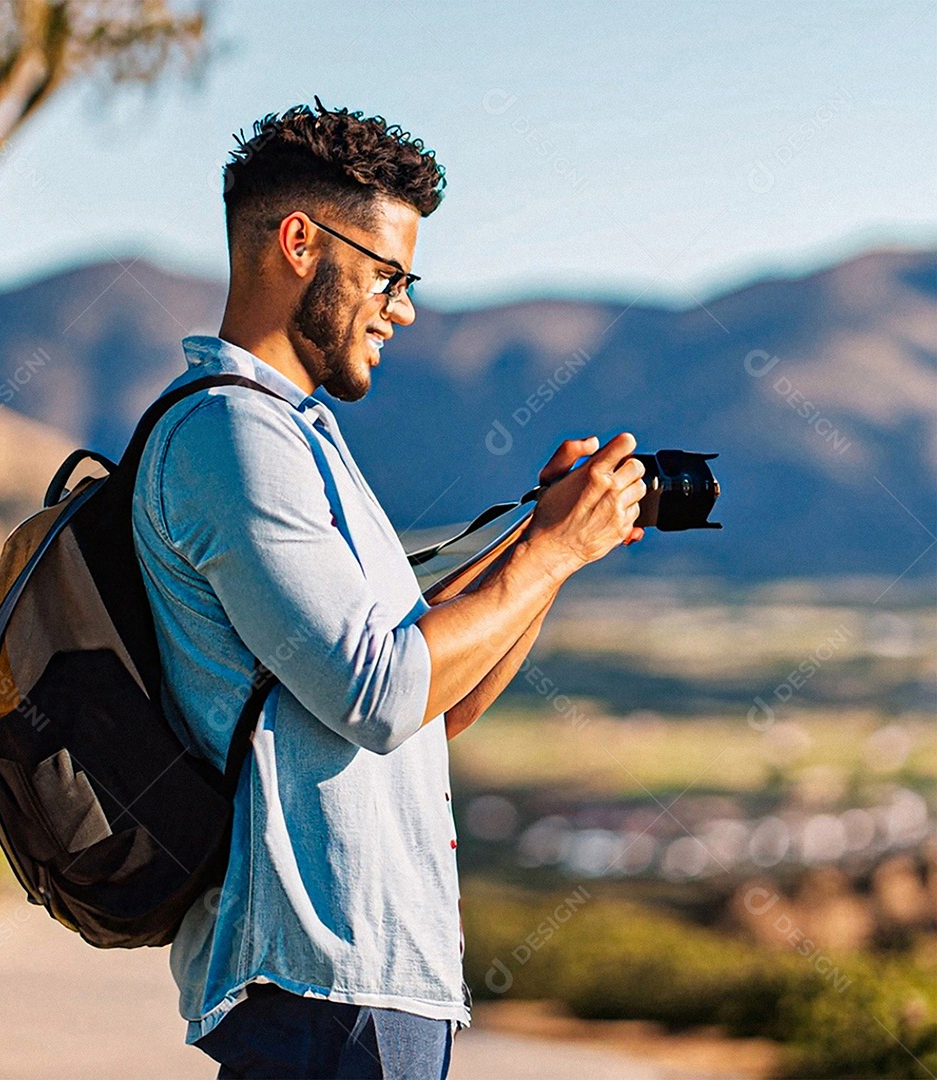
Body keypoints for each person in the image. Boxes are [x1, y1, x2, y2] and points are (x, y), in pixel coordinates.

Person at [131, 100, 645, 1080]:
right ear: (298, 242)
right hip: (318, 982)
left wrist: (549, 547)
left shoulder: (301, 440)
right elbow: (381, 696)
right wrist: (549, 551)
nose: (402, 308)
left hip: (375, 986)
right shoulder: (229, 440)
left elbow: (434, 704)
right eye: (389, 276)